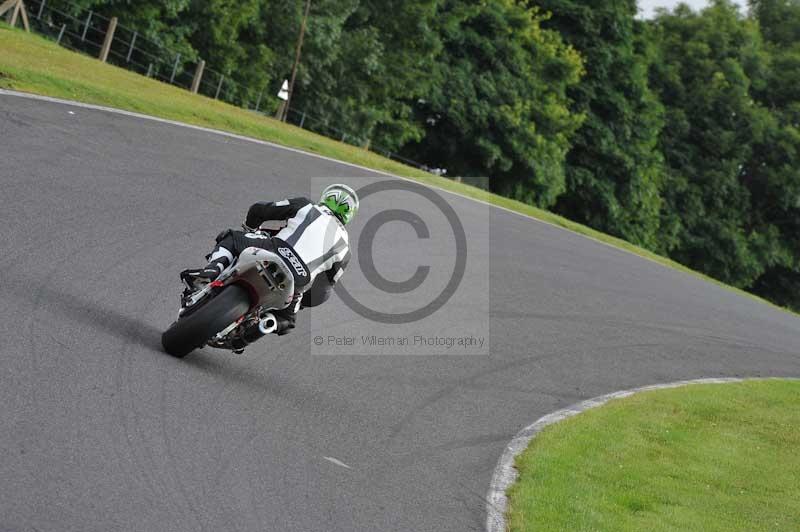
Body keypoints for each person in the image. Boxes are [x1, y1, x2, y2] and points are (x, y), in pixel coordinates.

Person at [180, 183, 358, 339]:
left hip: (273, 249)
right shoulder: (345, 251)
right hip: (298, 280)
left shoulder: (307, 206)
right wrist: (302, 302)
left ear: (327, 197)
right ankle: (262, 326)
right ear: (349, 214)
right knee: (287, 321)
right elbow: (323, 291)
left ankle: (211, 271)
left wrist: (250, 229)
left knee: (232, 237)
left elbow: (260, 209)